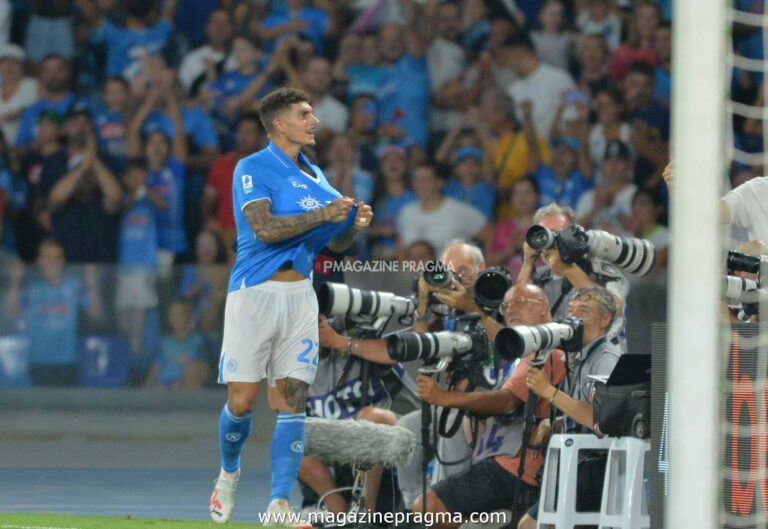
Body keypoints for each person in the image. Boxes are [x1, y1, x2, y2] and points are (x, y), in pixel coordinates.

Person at [209, 87, 373, 525]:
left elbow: (334, 245)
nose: (314, 120)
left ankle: (279, 502)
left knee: (293, 399)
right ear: (280, 124)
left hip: (301, 295)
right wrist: (324, 214)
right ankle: (228, 473)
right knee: (242, 402)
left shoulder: (316, 175)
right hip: (255, 292)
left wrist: (351, 225)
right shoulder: (253, 167)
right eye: (305, 114)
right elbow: (262, 228)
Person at [412, 284, 567, 529]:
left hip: (515, 467)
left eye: (520, 301)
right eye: (506, 306)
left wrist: (445, 398)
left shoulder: (545, 348)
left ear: (544, 307)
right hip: (500, 459)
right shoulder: (522, 353)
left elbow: (507, 402)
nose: (510, 310)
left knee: (427, 507)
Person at [519, 286, 621, 529]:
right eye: (570, 311)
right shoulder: (577, 358)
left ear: (605, 319)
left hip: (597, 466)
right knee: (528, 524)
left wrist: (549, 392)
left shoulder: (606, 357)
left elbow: (600, 419)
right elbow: (579, 413)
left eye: (583, 311)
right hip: (574, 462)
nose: (573, 319)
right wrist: (554, 422)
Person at [3, 239, 102, 386]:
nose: (53, 262)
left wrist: (92, 286)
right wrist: (15, 283)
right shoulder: (32, 287)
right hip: (39, 362)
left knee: (67, 407)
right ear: (39, 261)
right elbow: (10, 313)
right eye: (48, 257)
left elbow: (95, 313)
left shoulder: (73, 285)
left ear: (62, 260)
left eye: (57, 257)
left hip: (68, 361)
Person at [145, 299, 210, 390]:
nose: (175, 318)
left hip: (185, 386)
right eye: (172, 315)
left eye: (179, 314)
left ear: (188, 316)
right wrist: (150, 384)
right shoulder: (164, 342)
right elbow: (156, 366)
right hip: (164, 385)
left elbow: (203, 368)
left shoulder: (198, 341)